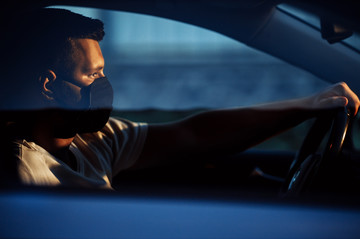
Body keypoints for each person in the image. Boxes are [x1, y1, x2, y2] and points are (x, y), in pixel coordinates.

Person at [1, 8, 359, 189]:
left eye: (104, 72)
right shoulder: (21, 171)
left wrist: (307, 105)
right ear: (49, 84)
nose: (105, 83)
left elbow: (193, 135)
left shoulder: (92, 141)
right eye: (93, 75)